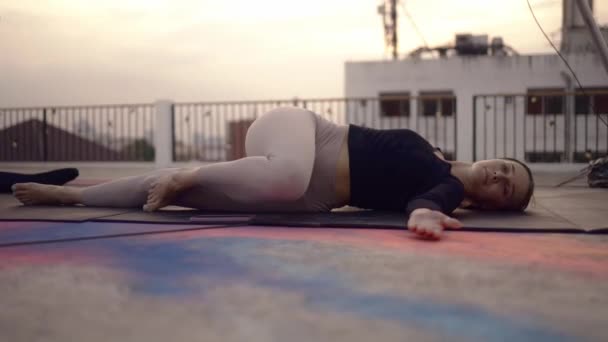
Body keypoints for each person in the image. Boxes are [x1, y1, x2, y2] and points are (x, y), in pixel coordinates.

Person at [12, 107, 534, 240]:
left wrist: (428, 220)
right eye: (506, 169)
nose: (500, 178)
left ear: (491, 204)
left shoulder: (443, 190)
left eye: (507, 191)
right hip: (300, 135)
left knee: (187, 198)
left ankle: (73, 198)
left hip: (309, 191)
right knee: (284, 178)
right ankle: (190, 171)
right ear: (495, 158)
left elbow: (426, 207)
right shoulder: (433, 155)